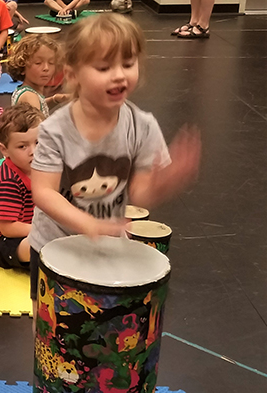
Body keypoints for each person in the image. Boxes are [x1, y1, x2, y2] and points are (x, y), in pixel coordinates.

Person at [28, 14, 201, 307]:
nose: (119, 75)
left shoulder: (142, 126)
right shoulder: (54, 130)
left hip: (108, 244)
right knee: (50, 327)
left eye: (128, 64)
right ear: (72, 75)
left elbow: (142, 192)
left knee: (105, 326)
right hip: (53, 244)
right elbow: (42, 191)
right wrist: (86, 223)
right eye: (104, 67)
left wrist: (165, 183)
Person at [0, 104, 44, 271]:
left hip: (26, 225)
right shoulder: (9, 181)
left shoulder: (42, 167)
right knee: (38, 247)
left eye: (39, 142)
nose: (33, 151)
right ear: (4, 150)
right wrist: (45, 230)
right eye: (22, 146)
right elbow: (7, 228)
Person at [8, 33, 69, 118]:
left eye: (51, 63)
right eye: (38, 63)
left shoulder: (28, 92)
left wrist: (54, 100)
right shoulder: (30, 97)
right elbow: (37, 129)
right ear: (22, 67)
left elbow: (40, 106)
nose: (46, 68)